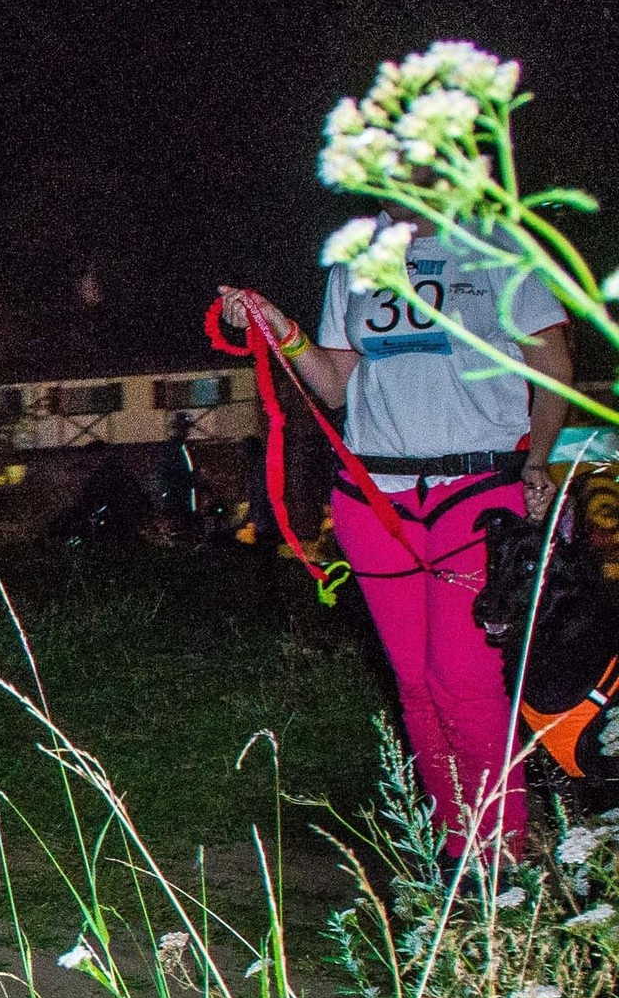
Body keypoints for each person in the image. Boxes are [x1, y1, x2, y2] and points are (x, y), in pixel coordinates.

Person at [219, 210, 572, 857]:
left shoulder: (499, 244)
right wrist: (279, 327)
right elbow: (334, 385)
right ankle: (454, 848)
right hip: (374, 497)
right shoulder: (354, 255)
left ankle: (502, 855)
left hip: (476, 488)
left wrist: (539, 460)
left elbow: (553, 368)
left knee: (463, 680)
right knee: (415, 684)